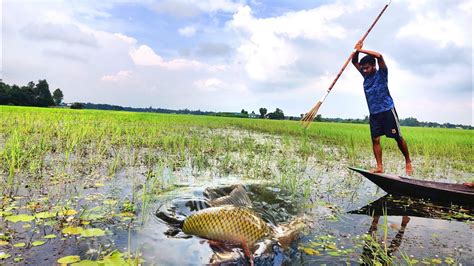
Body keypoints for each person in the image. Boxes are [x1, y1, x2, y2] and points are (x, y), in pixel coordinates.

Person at [351, 40, 413, 176]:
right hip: (374, 113)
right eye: (363, 69)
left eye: (367, 67)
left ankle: (408, 161)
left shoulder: (382, 73)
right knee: (375, 139)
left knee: (397, 137)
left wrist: (361, 50)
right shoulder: (365, 76)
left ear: (373, 66)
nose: (365, 70)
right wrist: (356, 50)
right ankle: (379, 166)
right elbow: (353, 61)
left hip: (387, 110)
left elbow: (379, 56)